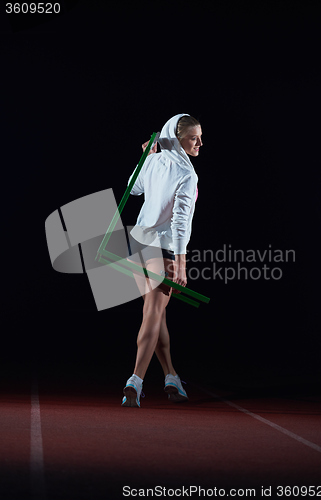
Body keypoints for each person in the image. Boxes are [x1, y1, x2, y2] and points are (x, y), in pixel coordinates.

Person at [121, 113, 203, 407]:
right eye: (193, 138)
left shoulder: (156, 160)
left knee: (155, 313)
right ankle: (136, 379)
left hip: (138, 244)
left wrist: (145, 157)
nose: (200, 143)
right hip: (162, 248)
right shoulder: (187, 173)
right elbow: (182, 222)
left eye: (200, 137)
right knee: (153, 312)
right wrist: (181, 265)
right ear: (178, 138)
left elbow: (134, 188)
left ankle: (171, 376)